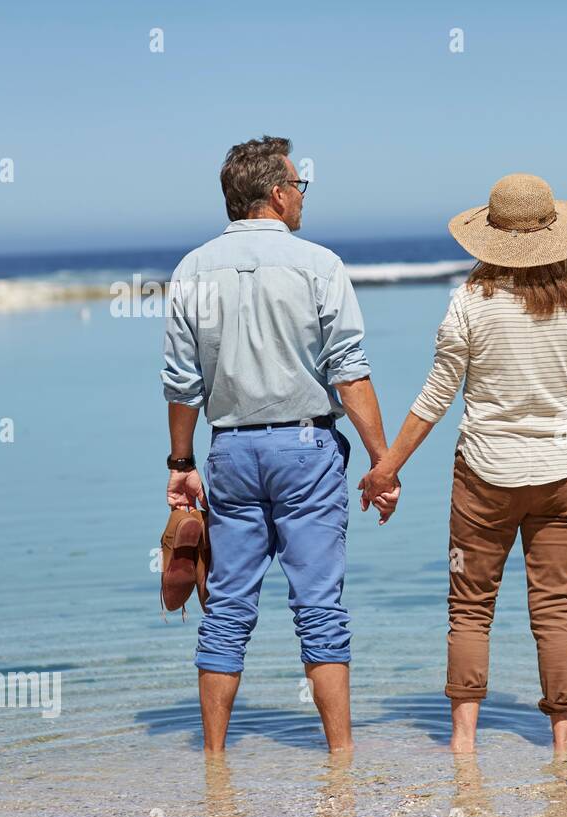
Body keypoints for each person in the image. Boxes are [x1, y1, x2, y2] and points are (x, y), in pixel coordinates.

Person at [360, 173, 567, 755]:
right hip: (564, 475)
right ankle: (563, 743)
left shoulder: (469, 304)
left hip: (484, 477)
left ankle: (464, 742)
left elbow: (435, 397)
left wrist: (387, 469)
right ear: (557, 236)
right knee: (555, 607)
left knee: (470, 606)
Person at [161, 135, 398, 754]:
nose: (302, 197)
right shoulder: (319, 264)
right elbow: (349, 370)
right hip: (306, 448)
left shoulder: (191, 269)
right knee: (319, 606)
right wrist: (382, 462)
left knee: (227, 608)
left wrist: (181, 463)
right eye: (300, 186)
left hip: (230, 450)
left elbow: (182, 382)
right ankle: (341, 757)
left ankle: (213, 758)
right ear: (276, 193)